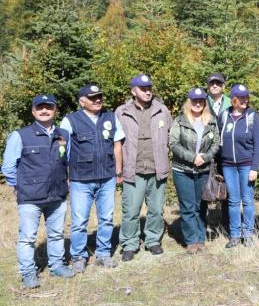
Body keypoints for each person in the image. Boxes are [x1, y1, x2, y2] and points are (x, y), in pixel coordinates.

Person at [2, 94, 74, 288]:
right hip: (30, 198)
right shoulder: (20, 135)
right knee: (27, 238)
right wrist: (19, 187)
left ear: (55, 110)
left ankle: (57, 266)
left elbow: (66, 161)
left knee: (57, 234)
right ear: (33, 111)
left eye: (48, 107)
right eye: (40, 107)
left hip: (57, 195)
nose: (44, 110)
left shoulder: (63, 135)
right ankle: (28, 273)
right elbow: (8, 167)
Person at [61, 84, 125, 272]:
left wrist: (118, 172)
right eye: (92, 97)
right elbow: (63, 151)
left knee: (106, 218)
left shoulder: (111, 117)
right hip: (80, 179)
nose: (98, 100)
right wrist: (65, 176)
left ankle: (103, 254)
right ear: (82, 101)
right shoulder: (70, 120)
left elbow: (117, 145)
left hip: (107, 177)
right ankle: (78, 256)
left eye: (99, 96)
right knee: (79, 221)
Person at [116, 74, 173, 261]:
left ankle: (153, 240)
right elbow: (115, 142)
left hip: (157, 169)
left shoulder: (162, 110)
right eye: (143, 88)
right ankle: (130, 243)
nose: (147, 91)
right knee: (131, 211)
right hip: (133, 169)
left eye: (149, 88)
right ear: (134, 91)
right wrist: (118, 169)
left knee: (156, 209)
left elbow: (171, 136)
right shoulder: (122, 112)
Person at [169, 87, 220, 254]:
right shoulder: (180, 121)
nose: (197, 103)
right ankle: (191, 241)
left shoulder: (211, 121)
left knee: (201, 205)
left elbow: (216, 144)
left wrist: (204, 158)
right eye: (194, 100)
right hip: (182, 170)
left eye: (201, 101)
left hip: (203, 170)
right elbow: (173, 144)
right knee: (188, 206)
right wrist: (192, 157)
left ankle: (200, 238)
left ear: (204, 102)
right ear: (189, 101)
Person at [219, 84, 259, 248]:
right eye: (241, 97)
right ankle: (235, 235)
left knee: (247, 201)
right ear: (234, 99)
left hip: (246, 165)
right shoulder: (224, 116)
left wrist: (254, 168)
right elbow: (218, 140)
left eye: (246, 97)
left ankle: (248, 234)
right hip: (228, 165)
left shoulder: (252, 116)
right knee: (233, 201)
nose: (245, 100)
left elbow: (258, 144)